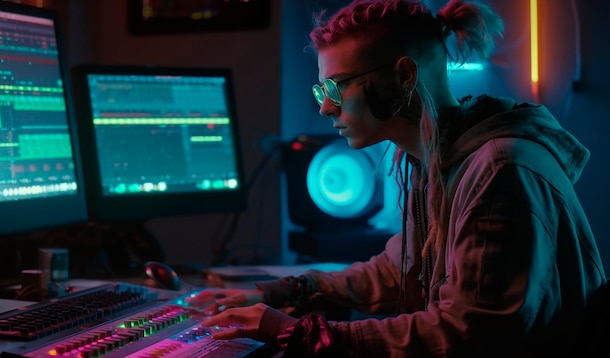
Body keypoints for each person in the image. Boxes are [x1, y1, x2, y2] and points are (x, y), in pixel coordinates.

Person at [190, 0, 607, 356]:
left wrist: (296, 332)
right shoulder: (433, 160)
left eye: (335, 89)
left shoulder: (499, 171)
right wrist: (279, 293)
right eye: (321, 93)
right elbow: (396, 271)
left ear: (405, 77)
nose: (325, 108)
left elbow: (468, 335)